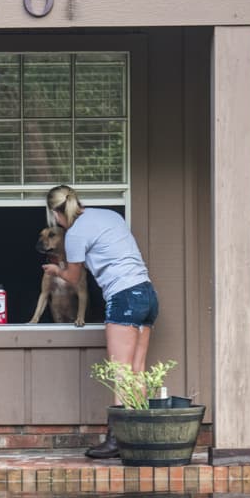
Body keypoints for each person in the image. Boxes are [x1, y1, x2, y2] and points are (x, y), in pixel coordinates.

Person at [43, 184, 159, 459]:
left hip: (124, 297)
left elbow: (73, 278)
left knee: (120, 372)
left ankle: (116, 439)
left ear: (56, 213)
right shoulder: (109, 216)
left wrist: (54, 269)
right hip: (147, 294)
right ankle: (138, 436)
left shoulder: (74, 234)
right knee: (137, 370)